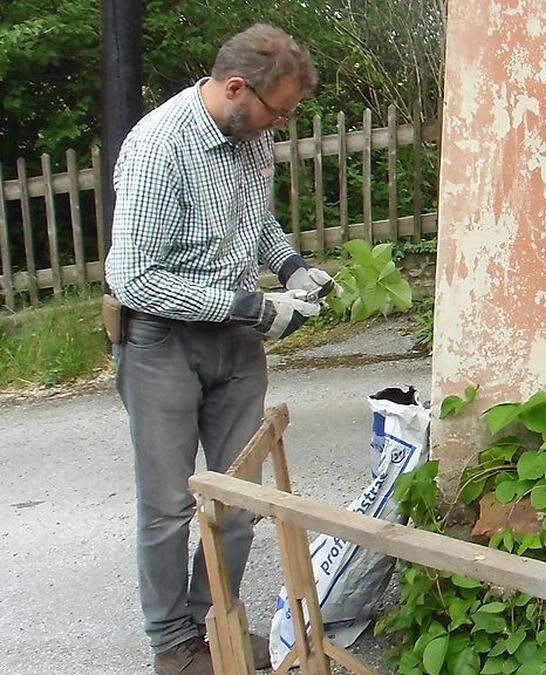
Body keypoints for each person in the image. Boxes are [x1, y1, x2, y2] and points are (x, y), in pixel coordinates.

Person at [104, 23, 334, 675]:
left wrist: (291, 268)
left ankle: (217, 624)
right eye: (277, 111)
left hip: (234, 341)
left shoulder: (249, 136)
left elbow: (256, 220)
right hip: (161, 342)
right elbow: (135, 277)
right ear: (236, 89)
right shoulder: (159, 145)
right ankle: (174, 644)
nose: (279, 126)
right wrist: (257, 307)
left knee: (238, 498)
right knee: (169, 504)